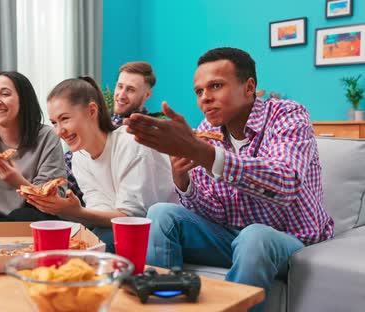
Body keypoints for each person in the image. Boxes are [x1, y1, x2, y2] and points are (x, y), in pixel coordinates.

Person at [123, 47, 334, 311]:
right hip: (232, 237)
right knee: (161, 214)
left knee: (254, 236)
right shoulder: (206, 131)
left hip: (290, 238)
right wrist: (183, 180)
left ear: (249, 88)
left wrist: (207, 156)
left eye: (216, 86)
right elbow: (214, 211)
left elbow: (286, 182)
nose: (205, 99)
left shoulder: (287, 115)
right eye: (199, 91)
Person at [20, 76, 179, 252]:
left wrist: (76, 212)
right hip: (123, 227)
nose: (58, 132)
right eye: (54, 123)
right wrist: (65, 210)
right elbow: (101, 214)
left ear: (91, 111)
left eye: (65, 119)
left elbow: (132, 218)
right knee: (69, 241)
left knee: (95, 243)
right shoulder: (80, 158)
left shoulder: (132, 144)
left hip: (166, 230)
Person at [0, 71, 66, 222]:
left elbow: (50, 195)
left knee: (23, 215)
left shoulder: (48, 136)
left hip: (37, 214)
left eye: (5, 94)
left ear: (24, 100)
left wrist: (18, 181)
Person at [65, 61, 157, 201]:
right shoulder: (103, 120)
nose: (121, 95)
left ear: (147, 95)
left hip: (86, 200)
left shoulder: (142, 133)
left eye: (131, 90)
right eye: (120, 86)